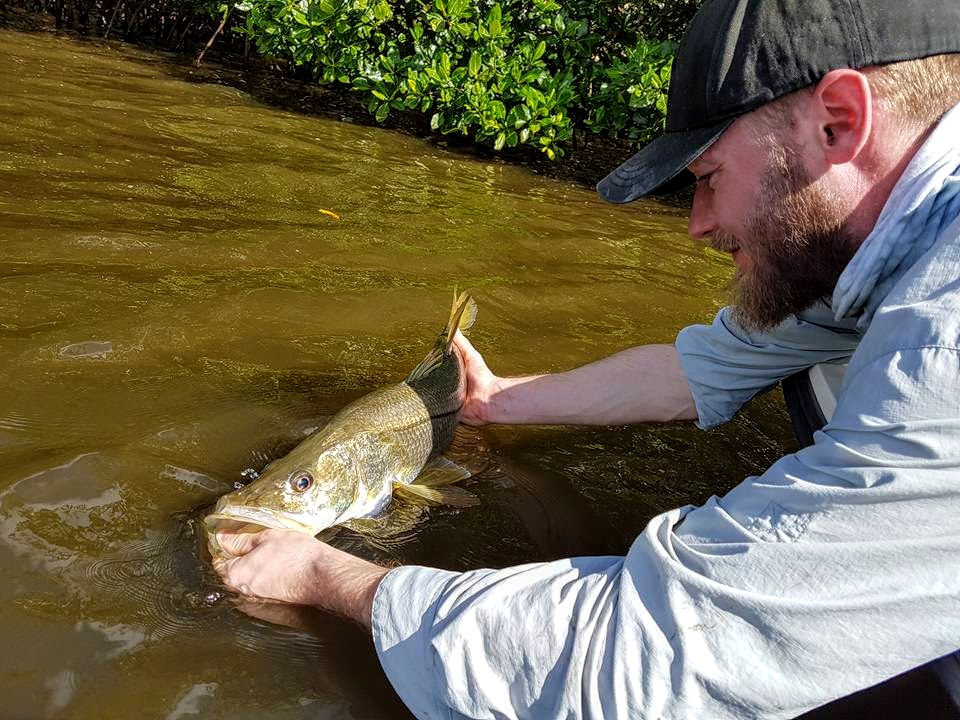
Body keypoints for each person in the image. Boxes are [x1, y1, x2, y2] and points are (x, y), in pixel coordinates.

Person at [213, 0, 960, 717]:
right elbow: (710, 365)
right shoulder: (872, 249)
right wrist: (498, 402)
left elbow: (644, 661)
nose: (696, 226)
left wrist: (321, 574)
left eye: (706, 180)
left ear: (840, 121)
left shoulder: (942, 346)